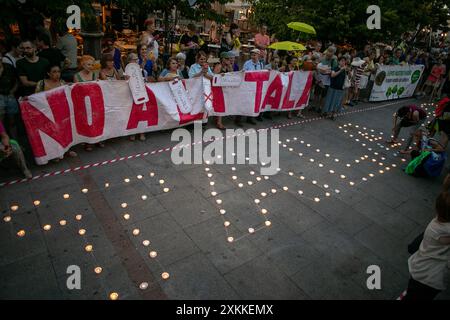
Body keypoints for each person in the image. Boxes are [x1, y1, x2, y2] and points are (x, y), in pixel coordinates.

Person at [404, 179, 450, 300]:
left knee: (413, 293)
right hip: (430, 278)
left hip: (419, 270)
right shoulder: (445, 230)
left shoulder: (437, 221)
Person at [35, 64, 77, 160]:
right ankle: (55, 154)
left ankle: (67, 150)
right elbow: (36, 98)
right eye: (54, 72)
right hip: (47, 114)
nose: (57, 74)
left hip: (61, 113)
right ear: (48, 73)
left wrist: (70, 87)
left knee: (64, 132)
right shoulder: (41, 84)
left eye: (58, 71)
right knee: (52, 135)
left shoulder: (62, 83)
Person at [74, 55, 104, 150]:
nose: (90, 67)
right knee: (87, 122)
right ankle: (88, 142)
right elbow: (76, 91)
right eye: (88, 64)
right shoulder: (77, 76)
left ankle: (97, 139)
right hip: (83, 103)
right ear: (83, 65)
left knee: (96, 121)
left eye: (92, 65)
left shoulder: (94, 74)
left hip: (94, 101)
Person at [0, 51, 19, 139]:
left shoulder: (8, 67)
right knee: (1, 122)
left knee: (12, 120)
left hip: (10, 95)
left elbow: (16, 80)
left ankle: (15, 142)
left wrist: (13, 91)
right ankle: (4, 143)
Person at [316, 47, 338, 112]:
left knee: (323, 95)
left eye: (331, 52)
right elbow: (316, 66)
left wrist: (327, 71)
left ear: (334, 53)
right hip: (319, 78)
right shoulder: (322, 57)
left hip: (327, 80)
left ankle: (320, 107)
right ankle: (315, 106)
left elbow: (334, 70)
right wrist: (319, 70)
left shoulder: (334, 60)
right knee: (316, 93)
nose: (329, 53)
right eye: (329, 51)